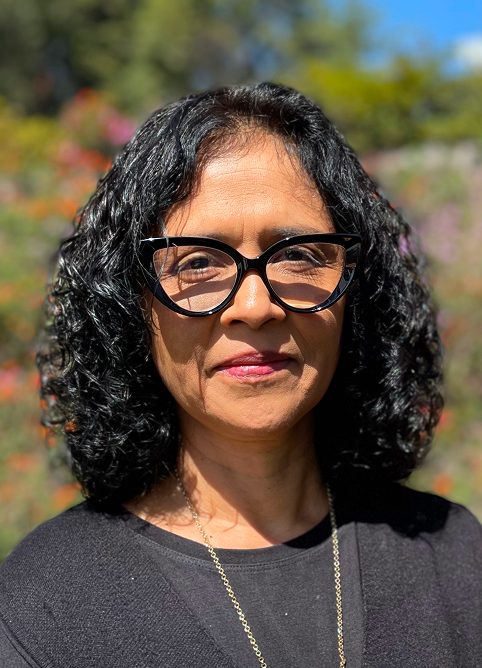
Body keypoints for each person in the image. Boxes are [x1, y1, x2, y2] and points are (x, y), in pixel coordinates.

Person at [0, 82, 481, 668]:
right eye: (198, 261)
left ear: (357, 290)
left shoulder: (454, 559)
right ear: (132, 306)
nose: (255, 306)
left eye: (298, 254)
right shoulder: (44, 611)